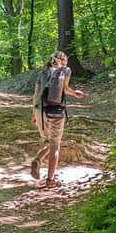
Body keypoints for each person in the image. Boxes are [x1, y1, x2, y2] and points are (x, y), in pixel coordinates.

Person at [30, 50, 87, 187]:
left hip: (40, 110)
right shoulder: (65, 71)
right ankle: (50, 180)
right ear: (64, 60)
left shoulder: (42, 72)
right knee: (55, 145)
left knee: (47, 140)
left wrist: (33, 113)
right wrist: (75, 93)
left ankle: (38, 160)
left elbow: (36, 94)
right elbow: (64, 89)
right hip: (55, 111)